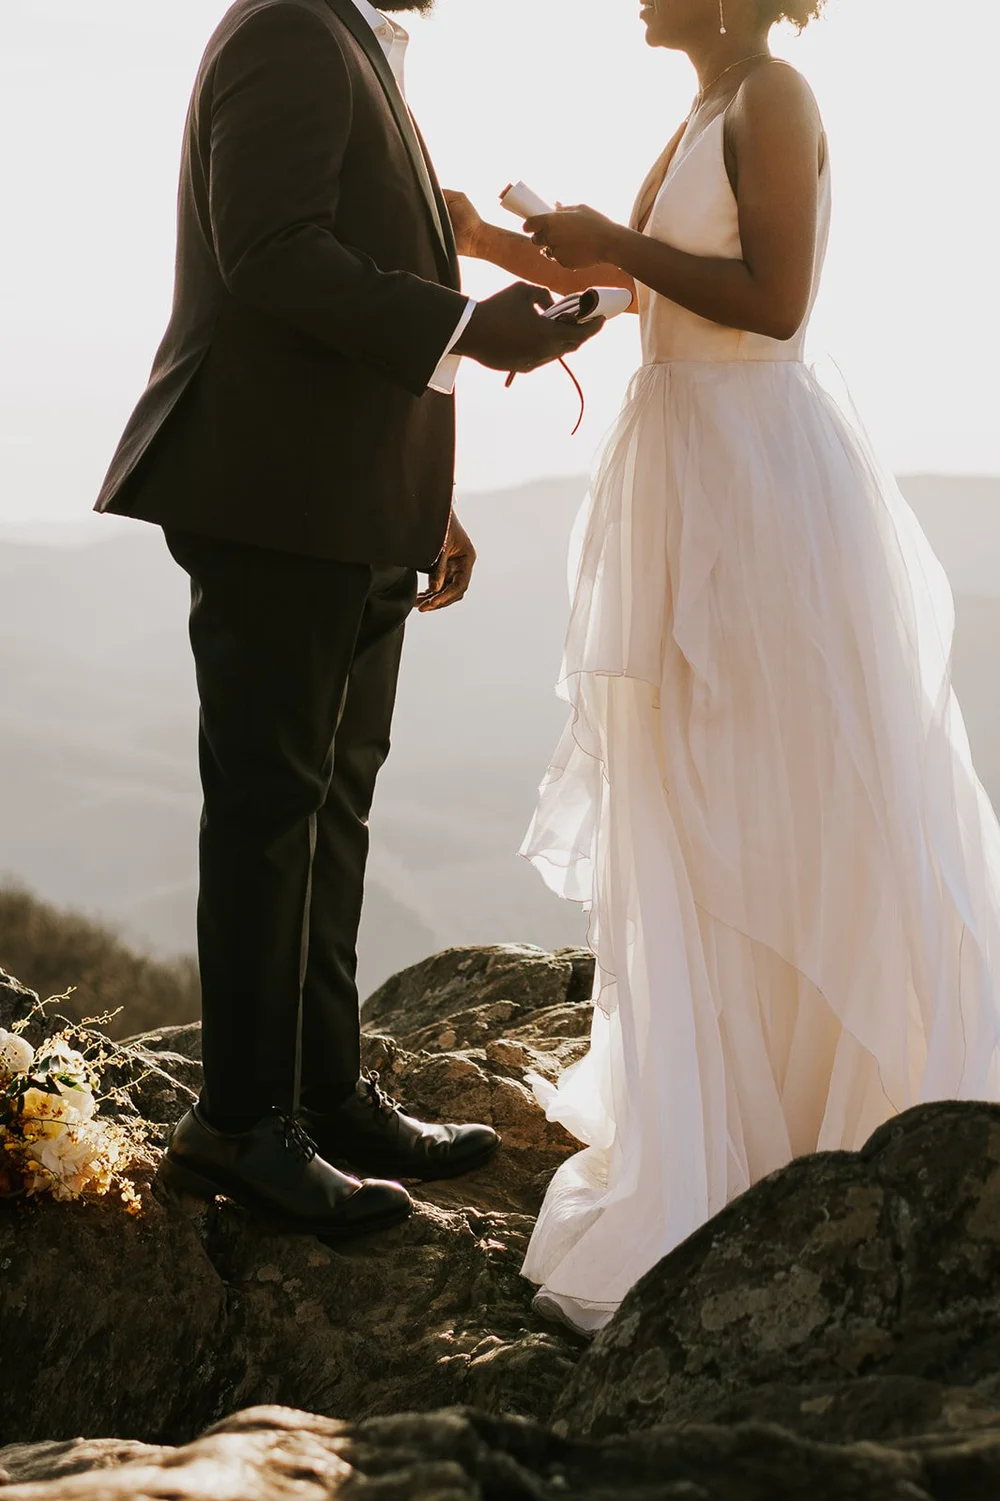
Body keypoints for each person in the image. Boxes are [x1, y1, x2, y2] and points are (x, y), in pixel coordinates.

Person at [449, 0, 1000, 1332]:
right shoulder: (708, 101)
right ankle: (727, 1104)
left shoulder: (775, 98)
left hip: (760, 482)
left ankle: (829, 1103)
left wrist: (612, 241)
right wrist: (496, 241)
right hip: (689, 469)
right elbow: (653, 280)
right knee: (698, 788)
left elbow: (773, 299)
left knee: (787, 790)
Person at [93, 0, 604, 1239]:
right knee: (272, 811)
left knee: (335, 802)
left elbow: (374, 264)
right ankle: (238, 1127)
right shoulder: (284, 27)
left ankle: (324, 1094)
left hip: (353, 498)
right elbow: (271, 249)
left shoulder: (356, 42)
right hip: (273, 493)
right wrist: (469, 328)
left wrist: (431, 496)